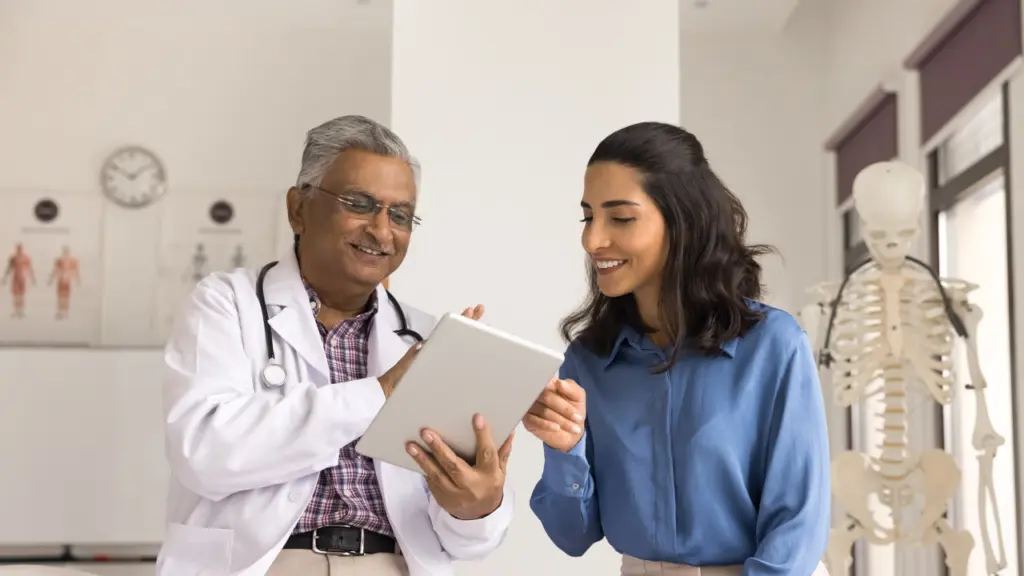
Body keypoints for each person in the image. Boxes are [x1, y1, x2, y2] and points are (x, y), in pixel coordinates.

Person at [159, 115, 516, 576]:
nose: (382, 231)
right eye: (360, 204)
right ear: (298, 209)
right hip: (268, 563)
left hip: (394, 564)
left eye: (400, 215)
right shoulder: (226, 304)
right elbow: (203, 454)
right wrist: (379, 393)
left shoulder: (427, 340)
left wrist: (477, 507)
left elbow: (466, 542)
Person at [525, 122, 831, 576]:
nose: (592, 240)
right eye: (588, 216)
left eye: (621, 218)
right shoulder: (587, 362)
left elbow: (797, 523)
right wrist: (565, 448)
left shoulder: (773, 346)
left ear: (683, 221)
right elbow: (572, 537)